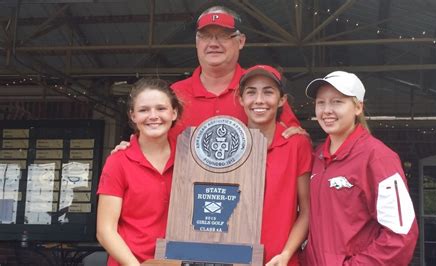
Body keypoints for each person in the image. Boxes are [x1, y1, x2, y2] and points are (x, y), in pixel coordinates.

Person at [112, 5, 304, 153]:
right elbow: (148, 145)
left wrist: (299, 135)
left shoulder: (260, 93)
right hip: (185, 199)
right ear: (197, 42)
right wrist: (128, 151)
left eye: (223, 36)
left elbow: (293, 139)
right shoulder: (173, 95)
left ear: (241, 41)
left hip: (248, 198)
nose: (213, 43)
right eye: (205, 36)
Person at [302, 71, 419, 265]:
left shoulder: (379, 158)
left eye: (337, 102)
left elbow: (402, 235)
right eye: (320, 102)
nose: (326, 110)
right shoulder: (317, 156)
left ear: (358, 107)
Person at [96, 78, 183, 266]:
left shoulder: (190, 159)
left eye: (161, 108)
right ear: (133, 116)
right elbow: (105, 231)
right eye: (144, 110)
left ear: (174, 112)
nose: (153, 116)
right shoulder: (118, 162)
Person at [238, 65, 312, 266]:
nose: (259, 100)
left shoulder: (297, 144)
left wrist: (286, 254)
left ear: (282, 100)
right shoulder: (229, 144)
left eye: (268, 92)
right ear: (241, 99)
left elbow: (307, 210)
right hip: (234, 258)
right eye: (251, 92)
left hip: (280, 260)